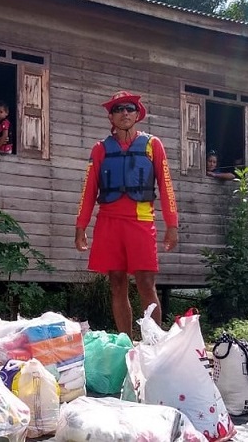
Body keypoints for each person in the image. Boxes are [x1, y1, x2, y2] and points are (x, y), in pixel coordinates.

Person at [75, 91, 179, 337]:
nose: (124, 113)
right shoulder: (100, 149)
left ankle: (154, 342)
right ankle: (126, 341)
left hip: (141, 221)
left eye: (129, 108)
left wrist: (172, 224)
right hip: (109, 222)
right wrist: (81, 226)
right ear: (111, 116)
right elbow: (88, 190)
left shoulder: (153, 145)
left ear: (137, 114)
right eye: (119, 109)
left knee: (146, 283)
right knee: (117, 284)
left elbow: (166, 185)